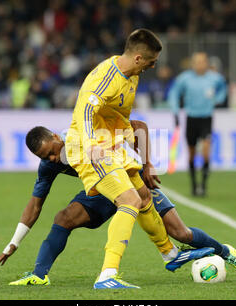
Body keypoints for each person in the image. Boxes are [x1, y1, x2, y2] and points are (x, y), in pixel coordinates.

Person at [0, 122, 236, 286]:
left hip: (132, 181)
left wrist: (146, 164)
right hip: (101, 191)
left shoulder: (85, 131)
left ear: (55, 136)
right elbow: (35, 205)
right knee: (63, 218)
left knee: (180, 233)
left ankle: (225, 252)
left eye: (51, 150)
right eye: (44, 156)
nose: (51, 158)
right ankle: (39, 274)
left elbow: (138, 126)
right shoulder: (49, 165)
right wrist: (13, 243)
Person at [64, 28, 181, 289]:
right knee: (128, 200)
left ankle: (171, 254)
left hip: (112, 143)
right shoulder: (105, 77)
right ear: (138, 58)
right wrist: (93, 145)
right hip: (88, 146)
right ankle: (107, 275)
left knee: (143, 197)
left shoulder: (132, 76)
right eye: (151, 62)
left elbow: (119, 113)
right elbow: (84, 110)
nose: (152, 67)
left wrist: (127, 136)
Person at [168, 52, 227, 197]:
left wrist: (218, 99)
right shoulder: (185, 78)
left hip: (206, 118)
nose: (200, 64)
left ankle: (204, 185)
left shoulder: (214, 78)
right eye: (197, 62)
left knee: (206, 151)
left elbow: (223, 88)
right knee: (192, 154)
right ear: (192, 64)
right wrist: (175, 109)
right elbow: (174, 93)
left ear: (207, 63)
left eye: (202, 62)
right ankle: (194, 184)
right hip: (191, 118)